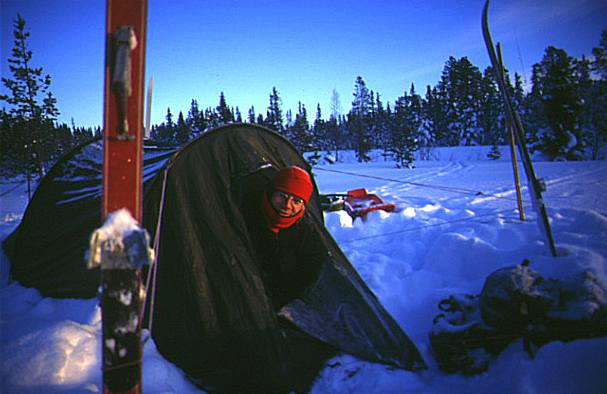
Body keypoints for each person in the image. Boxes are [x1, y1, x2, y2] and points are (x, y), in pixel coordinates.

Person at [240, 165, 337, 392]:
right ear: (270, 192)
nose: (287, 206)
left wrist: (288, 299)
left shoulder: (304, 229)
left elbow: (313, 266)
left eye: (296, 201)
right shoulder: (246, 218)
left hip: (284, 295)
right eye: (282, 196)